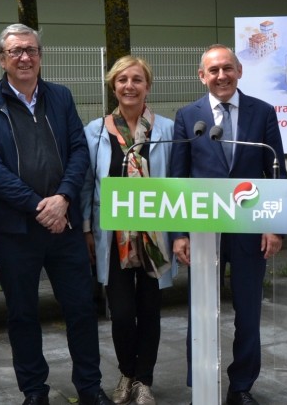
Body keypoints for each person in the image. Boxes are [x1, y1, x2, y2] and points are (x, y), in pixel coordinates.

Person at [0, 24, 114, 405]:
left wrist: (63, 198)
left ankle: (89, 386)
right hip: (15, 232)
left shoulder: (60, 97)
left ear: (40, 56)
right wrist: (39, 205)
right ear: (1, 58)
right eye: (15, 51)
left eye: (31, 50)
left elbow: (79, 151)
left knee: (82, 308)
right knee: (22, 314)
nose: (24, 57)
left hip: (63, 226)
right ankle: (34, 390)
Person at [169, 44, 287, 405]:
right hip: (204, 231)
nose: (221, 76)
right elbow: (179, 177)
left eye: (227, 68)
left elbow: (274, 169)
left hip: (250, 227)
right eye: (213, 70)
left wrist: (275, 225)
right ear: (201, 76)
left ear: (239, 71)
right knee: (201, 310)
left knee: (248, 311)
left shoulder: (263, 112)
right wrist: (179, 234)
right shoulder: (188, 116)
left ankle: (241, 386)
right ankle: (201, 382)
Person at [85, 56, 177, 405]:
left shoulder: (166, 130)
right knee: (121, 312)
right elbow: (85, 184)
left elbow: (178, 179)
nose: (129, 86)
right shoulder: (94, 131)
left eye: (137, 79)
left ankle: (144, 380)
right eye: (122, 80)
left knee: (150, 309)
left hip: (155, 236)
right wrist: (85, 229)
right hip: (113, 235)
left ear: (147, 86)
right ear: (113, 86)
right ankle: (126, 372)